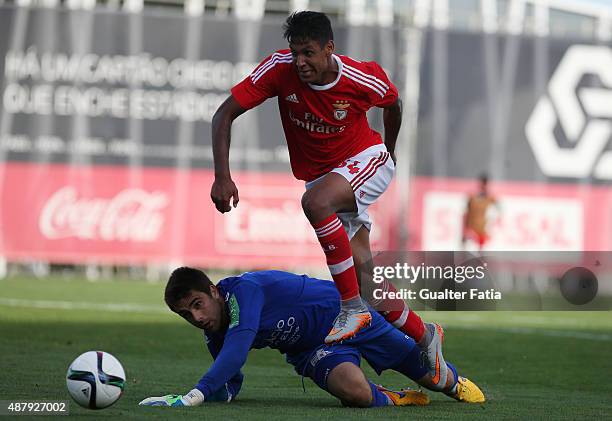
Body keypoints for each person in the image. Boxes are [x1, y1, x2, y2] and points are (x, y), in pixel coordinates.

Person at [209, 10, 447, 388]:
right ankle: (426, 335)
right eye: (295, 53)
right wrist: (222, 175)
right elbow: (224, 115)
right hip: (325, 178)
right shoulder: (278, 68)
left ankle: (351, 309)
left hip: (366, 161)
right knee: (368, 280)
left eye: (308, 53)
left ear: (329, 48)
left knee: (316, 205)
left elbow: (393, 104)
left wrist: (389, 148)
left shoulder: (360, 76)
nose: (299, 62)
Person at [138, 267, 485, 408]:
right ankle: (394, 398)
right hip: (313, 349)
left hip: (350, 316)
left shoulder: (245, 291)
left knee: (436, 379)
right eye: (187, 315)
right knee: (357, 395)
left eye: (197, 305)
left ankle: (453, 383)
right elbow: (230, 381)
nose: (197, 318)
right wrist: (209, 397)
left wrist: (192, 396)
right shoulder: (214, 331)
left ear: (214, 291)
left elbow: (240, 346)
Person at [463, 174, 498, 251]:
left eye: (485, 183)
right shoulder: (472, 196)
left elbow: (497, 211)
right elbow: (466, 212)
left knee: (480, 252)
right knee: (469, 252)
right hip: (472, 229)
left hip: (482, 229)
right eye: (483, 183)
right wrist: (465, 228)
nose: (484, 185)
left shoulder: (490, 198)